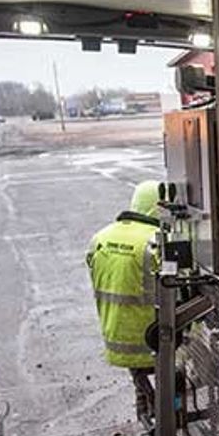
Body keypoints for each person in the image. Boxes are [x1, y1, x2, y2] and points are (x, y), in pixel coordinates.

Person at [86, 180, 162, 423]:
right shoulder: (156, 241)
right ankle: (162, 413)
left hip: (116, 337)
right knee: (177, 372)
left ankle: (145, 406)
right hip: (155, 339)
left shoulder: (100, 238)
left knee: (140, 375)